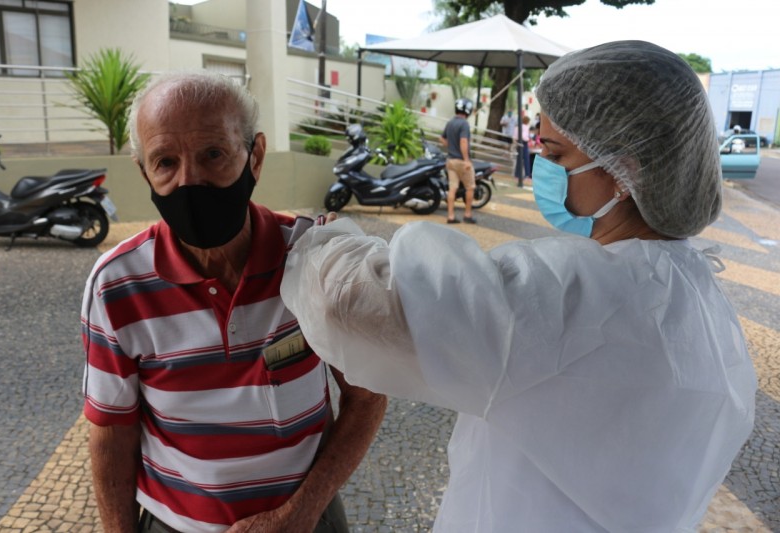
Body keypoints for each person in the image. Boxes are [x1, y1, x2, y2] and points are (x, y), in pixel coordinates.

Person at [281, 41, 756, 531]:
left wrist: (311, 241)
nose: (541, 169)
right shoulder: (705, 302)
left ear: (625, 170)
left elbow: (361, 301)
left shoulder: (576, 294)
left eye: (554, 152)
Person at [81, 71, 386, 533]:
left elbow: (367, 397)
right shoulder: (116, 286)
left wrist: (299, 513)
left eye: (213, 154)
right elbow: (111, 431)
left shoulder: (313, 261)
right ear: (146, 174)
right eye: (165, 162)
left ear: (255, 156)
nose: (190, 181)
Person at [440, 97, 476, 224]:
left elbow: (442, 139)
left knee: (452, 188)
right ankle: (467, 214)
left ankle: (450, 216)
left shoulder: (450, 122)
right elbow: (463, 141)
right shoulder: (464, 124)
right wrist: (466, 160)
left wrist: (451, 146)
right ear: (468, 110)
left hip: (450, 161)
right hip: (461, 161)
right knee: (470, 188)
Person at [514, 114, 532, 186]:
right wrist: (528, 139)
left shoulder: (517, 127)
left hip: (518, 143)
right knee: (526, 159)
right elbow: (525, 136)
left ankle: (517, 174)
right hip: (524, 143)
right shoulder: (526, 127)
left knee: (519, 159)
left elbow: (514, 136)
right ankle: (527, 174)